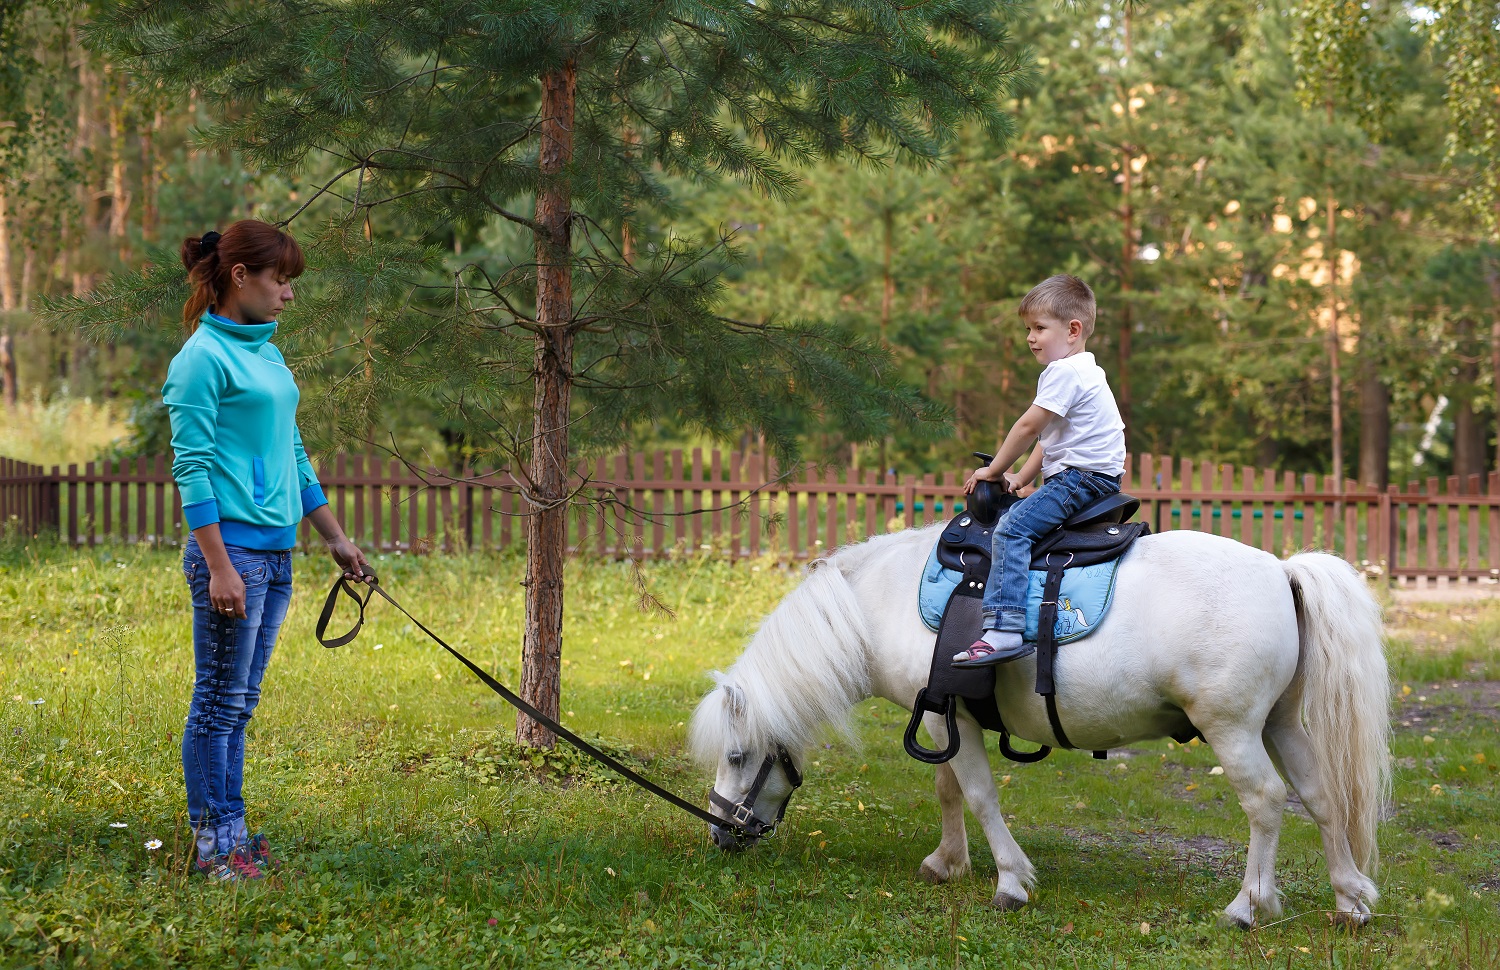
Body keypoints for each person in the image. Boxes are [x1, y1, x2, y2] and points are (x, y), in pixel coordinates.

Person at [163, 220, 370, 882]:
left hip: (275, 556)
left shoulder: (269, 356)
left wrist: (334, 537)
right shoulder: (201, 360)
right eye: (280, 280)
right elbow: (192, 468)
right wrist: (219, 566)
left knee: (239, 704)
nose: (288, 293)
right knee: (217, 703)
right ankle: (214, 848)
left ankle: (233, 837)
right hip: (234, 557)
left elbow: (293, 453)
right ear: (240, 276)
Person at [951, 275, 1126, 667]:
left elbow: (1029, 427)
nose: (1030, 338)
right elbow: (1048, 439)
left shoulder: (1066, 372)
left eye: (1039, 328)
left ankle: (1003, 629)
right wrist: (1021, 478)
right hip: (1093, 475)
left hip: (1081, 478)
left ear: (1073, 330)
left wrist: (994, 470)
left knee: (1012, 529)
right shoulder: (1085, 369)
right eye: (1028, 329)